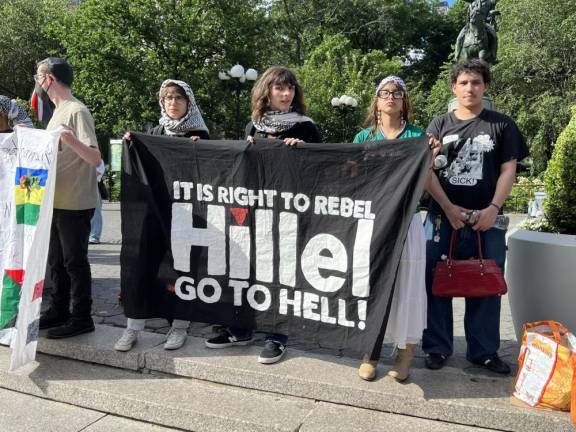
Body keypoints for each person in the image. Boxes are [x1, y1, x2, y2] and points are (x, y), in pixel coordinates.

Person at [205, 66, 322, 364]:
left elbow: (323, 170)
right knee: (249, 271)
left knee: (282, 274)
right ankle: (242, 330)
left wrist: (304, 152)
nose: (286, 94)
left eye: (291, 88)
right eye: (280, 88)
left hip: (289, 212)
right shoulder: (253, 126)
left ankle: (277, 336)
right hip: (256, 211)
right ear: (266, 91)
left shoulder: (306, 127)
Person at [423, 59, 528, 375]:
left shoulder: (502, 124)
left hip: (487, 219)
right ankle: (437, 348)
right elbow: (426, 170)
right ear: (454, 87)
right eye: (464, 83)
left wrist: (493, 208)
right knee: (435, 283)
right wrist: (449, 208)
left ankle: (483, 351)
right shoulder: (439, 124)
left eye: (477, 82)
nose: (470, 88)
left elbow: (509, 169)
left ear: (485, 87)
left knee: (487, 284)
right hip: (444, 218)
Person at [114, 79, 209, 352]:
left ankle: (179, 327)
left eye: (179, 98)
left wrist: (197, 152)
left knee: (181, 271)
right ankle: (134, 326)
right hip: (153, 214)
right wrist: (131, 144)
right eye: (168, 98)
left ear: (188, 103)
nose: (173, 103)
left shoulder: (200, 136)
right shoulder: (154, 132)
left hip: (185, 216)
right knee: (142, 266)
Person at [352, 76, 429, 381]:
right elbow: (354, 176)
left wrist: (430, 157)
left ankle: (405, 352)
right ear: (376, 100)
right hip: (374, 220)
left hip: (406, 221)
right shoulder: (363, 137)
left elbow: (424, 183)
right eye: (384, 92)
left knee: (407, 285)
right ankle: (370, 350)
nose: (390, 97)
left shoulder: (417, 136)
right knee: (372, 285)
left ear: (404, 101)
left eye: (397, 93)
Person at [35, 57, 102, 339]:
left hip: (75, 202)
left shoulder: (77, 111)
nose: (37, 82)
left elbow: (94, 157)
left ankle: (82, 317)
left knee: (75, 262)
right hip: (56, 199)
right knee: (56, 262)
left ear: (49, 79)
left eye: (38, 76)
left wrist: (70, 140)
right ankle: (58, 309)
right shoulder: (57, 111)